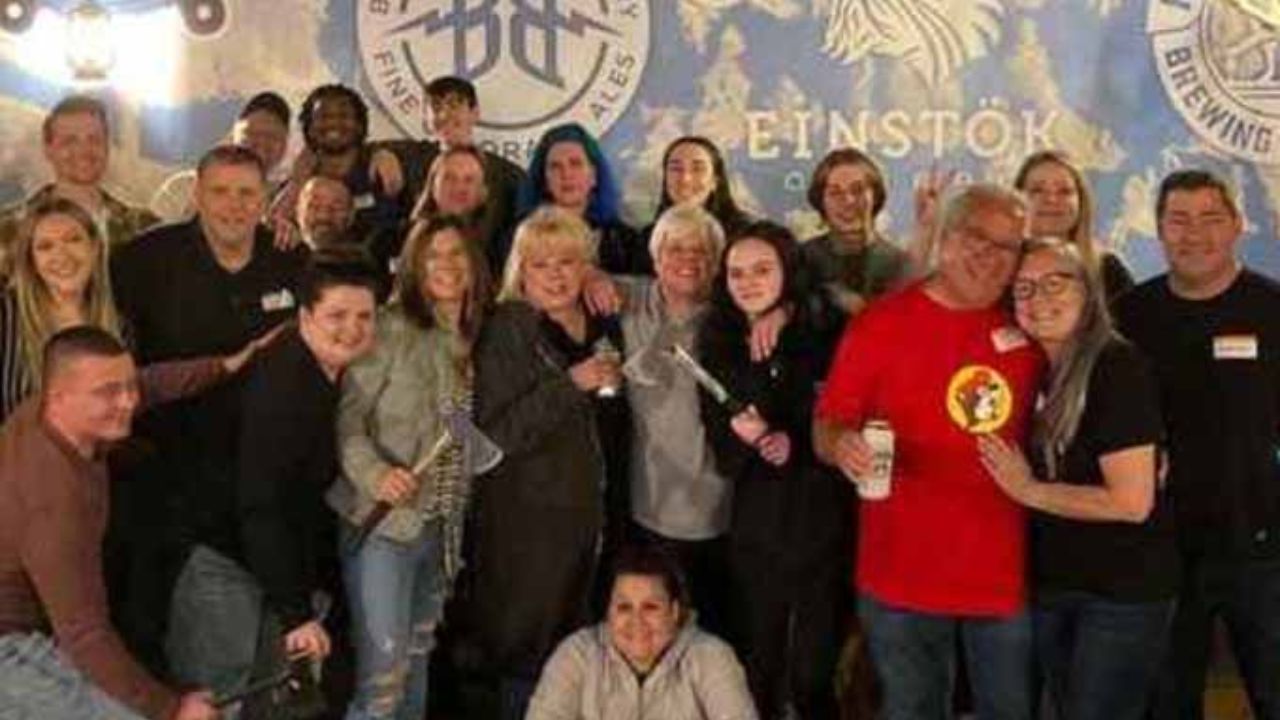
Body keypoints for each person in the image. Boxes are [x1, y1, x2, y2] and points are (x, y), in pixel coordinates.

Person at [814, 183, 1042, 720]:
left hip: (1005, 576)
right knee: (912, 708)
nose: (989, 256)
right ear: (944, 238)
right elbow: (827, 424)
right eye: (976, 237)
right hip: (900, 576)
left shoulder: (1033, 325)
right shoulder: (880, 325)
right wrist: (841, 445)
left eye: (1007, 246)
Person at [110, 144, 309, 702]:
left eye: (247, 192)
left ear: (266, 198)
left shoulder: (291, 259)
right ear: (196, 194)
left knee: (271, 677)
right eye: (220, 191)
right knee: (208, 671)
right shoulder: (143, 261)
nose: (233, 205)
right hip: (178, 498)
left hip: (271, 495)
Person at [0, 325, 262, 720]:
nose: (127, 401)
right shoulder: (53, 498)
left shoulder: (51, 411)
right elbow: (84, 634)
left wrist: (224, 366)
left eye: (128, 387)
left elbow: (151, 383)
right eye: (109, 393)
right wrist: (172, 709)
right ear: (59, 397)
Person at [978, 238, 1176, 719]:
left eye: (1054, 283)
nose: (1038, 298)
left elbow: (1132, 503)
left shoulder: (1115, 366)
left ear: (1088, 291)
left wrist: (1028, 490)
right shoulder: (1037, 371)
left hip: (1119, 594)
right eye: (1023, 288)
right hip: (1055, 584)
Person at [1114, 169, 1280, 720]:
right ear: (1157, 229)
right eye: (1178, 220)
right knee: (1165, 704)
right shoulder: (1128, 317)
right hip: (1161, 550)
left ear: (1236, 226)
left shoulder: (1272, 308)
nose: (1195, 234)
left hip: (1263, 550)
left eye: (1211, 219)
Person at [327, 215, 491, 720]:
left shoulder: (480, 335)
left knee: (416, 666)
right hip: (383, 527)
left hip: (443, 529)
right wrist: (377, 474)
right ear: (414, 264)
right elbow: (346, 420)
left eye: (456, 253)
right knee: (381, 681)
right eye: (433, 254)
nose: (445, 265)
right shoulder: (391, 327)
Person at [469, 206, 628, 718]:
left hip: (594, 517)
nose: (557, 274)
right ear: (521, 270)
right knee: (531, 660)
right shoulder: (508, 327)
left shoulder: (599, 319)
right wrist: (571, 385)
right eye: (542, 264)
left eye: (568, 261)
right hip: (529, 527)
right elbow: (495, 437)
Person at [698, 220, 848, 718]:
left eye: (763, 270)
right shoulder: (717, 340)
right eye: (737, 272)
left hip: (824, 524)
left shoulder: (825, 328)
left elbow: (844, 413)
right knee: (758, 668)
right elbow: (722, 452)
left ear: (788, 271)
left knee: (813, 673)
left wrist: (796, 441)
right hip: (756, 529)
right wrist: (748, 440)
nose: (748, 282)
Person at [235, 253, 380, 715]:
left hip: (277, 554)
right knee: (233, 692)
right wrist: (295, 612)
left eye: (364, 316)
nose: (352, 329)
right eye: (337, 315)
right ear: (304, 316)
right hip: (229, 552)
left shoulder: (335, 372)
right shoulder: (283, 384)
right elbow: (261, 503)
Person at [617, 204, 733, 637]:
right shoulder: (628, 298)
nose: (688, 259)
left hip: (720, 507)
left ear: (717, 263)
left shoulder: (734, 315)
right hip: (647, 504)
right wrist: (592, 277)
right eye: (676, 248)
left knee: (713, 632)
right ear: (655, 256)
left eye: (701, 251)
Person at [525, 544, 758, 720]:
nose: (637, 622)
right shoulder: (577, 655)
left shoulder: (712, 657)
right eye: (624, 607)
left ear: (674, 611)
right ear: (608, 612)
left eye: (650, 607)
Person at [0, 94, 158, 281]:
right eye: (70, 141)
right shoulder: (9, 229)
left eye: (94, 139)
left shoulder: (143, 228)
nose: (84, 150)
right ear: (48, 149)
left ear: (107, 146)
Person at [0, 197, 121, 421]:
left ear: (94, 248)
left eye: (73, 240)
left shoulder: (121, 320)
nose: (61, 255)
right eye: (45, 246)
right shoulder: (5, 316)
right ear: (32, 261)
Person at [386, 76, 526, 265]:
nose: (444, 114)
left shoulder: (508, 175)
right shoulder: (411, 161)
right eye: (435, 107)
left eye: (454, 105)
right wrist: (380, 154)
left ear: (475, 113)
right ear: (425, 119)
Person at [800, 148, 910, 343]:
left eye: (858, 190)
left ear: (875, 196)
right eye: (835, 193)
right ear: (820, 202)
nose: (848, 201)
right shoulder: (800, 259)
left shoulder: (900, 264)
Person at [517, 123, 646, 275]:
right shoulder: (519, 236)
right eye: (555, 166)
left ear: (594, 176)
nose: (566, 174)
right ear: (544, 180)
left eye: (575, 164)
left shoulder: (623, 240)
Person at [150, 91, 293, 223]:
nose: (261, 144)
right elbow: (151, 239)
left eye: (272, 137)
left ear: (285, 144)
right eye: (252, 134)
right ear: (234, 136)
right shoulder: (184, 187)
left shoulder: (284, 205)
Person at [1014, 150, 1134, 301]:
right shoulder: (1001, 270)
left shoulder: (1108, 272)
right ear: (1017, 200)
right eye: (1037, 190)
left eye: (1064, 191)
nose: (1051, 199)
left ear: (1081, 202)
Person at [641, 136, 750, 272]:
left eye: (698, 169)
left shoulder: (746, 236)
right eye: (676, 169)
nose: (685, 178)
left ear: (715, 181)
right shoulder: (647, 238)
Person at [409, 144, 502, 275]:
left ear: (483, 192)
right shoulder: (399, 239)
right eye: (449, 178)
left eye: (469, 180)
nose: (459, 187)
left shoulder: (500, 250)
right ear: (432, 186)